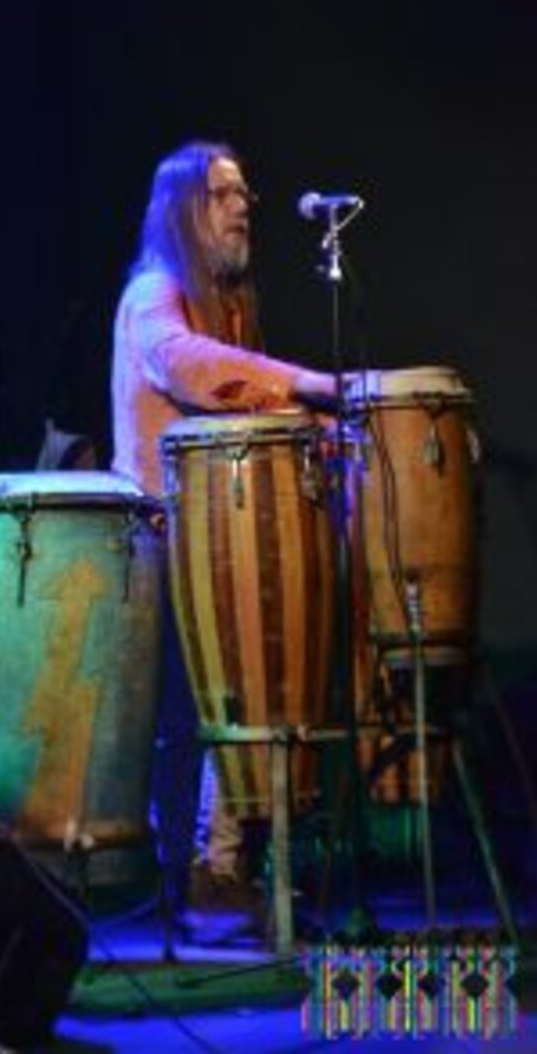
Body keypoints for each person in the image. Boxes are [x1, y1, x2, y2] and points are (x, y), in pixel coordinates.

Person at [111, 140, 336, 942]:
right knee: (208, 706)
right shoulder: (155, 293)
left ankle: (235, 868)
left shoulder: (227, 304)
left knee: (252, 692)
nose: (243, 208)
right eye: (223, 194)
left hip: (221, 541)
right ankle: (204, 875)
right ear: (184, 209)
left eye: (245, 194)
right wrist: (306, 384)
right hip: (166, 538)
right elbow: (186, 366)